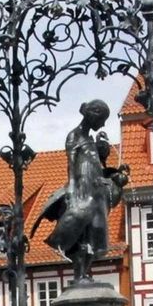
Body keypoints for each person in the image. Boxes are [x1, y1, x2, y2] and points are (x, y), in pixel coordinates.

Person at [30, 99, 129, 283]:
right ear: (93, 115)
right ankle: (79, 273)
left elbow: (99, 165)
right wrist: (72, 190)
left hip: (97, 188)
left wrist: (105, 159)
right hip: (83, 187)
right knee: (80, 232)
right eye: (102, 119)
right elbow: (71, 164)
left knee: (97, 231)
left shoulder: (91, 139)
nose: (103, 124)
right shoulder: (74, 136)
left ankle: (85, 272)